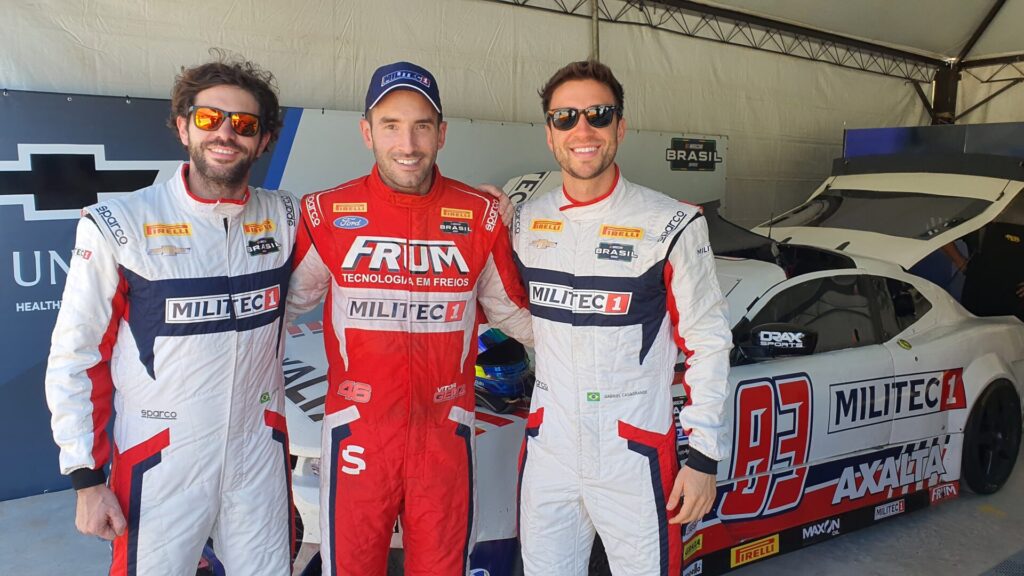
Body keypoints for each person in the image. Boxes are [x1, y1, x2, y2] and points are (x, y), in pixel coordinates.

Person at [45, 55, 296, 575]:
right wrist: (86, 479)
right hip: (159, 457)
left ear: (264, 140)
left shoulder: (287, 217)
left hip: (257, 450)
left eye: (245, 124)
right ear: (183, 126)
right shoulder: (118, 224)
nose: (226, 134)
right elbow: (76, 354)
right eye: (209, 119)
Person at [286, 61, 534, 576]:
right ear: (366, 132)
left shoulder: (480, 215)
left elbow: (519, 316)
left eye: (422, 125)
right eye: (391, 125)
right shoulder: (327, 213)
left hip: (446, 435)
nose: (408, 143)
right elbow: (275, 310)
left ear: (441, 134)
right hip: (357, 435)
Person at [512, 60, 733, 576]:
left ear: (621, 127)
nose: (582, 130)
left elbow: (708, 342)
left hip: (633, 450)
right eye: (565, 117)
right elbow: (508, 309)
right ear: (549, 133)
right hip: (551, 446)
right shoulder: (523, 221)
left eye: (598, 114)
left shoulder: (671, 223)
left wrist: (701, 458)